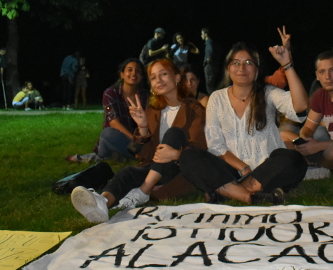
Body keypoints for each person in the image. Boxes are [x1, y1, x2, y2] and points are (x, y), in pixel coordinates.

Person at [71, 59, 206, 223]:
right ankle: (102, 202)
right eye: (153, 77)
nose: (158, 80)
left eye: (163, 74)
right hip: (156, 169)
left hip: (180, 167)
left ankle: (143, 191)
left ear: (177, 77)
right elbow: (145, 155)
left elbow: (200, 146)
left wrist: (176, 154)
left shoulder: (194, 108)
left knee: (174, 133)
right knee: (127, 172)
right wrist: (142, 126)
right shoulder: (154, 110)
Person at [180, 34, 308, 205]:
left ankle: (226, 191)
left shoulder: (267, 93)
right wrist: (243, 167)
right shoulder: (217, 98)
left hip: (266, 168)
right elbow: (215, 144)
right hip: (231, 170)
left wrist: (287, 65)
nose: (242, 68)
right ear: (228, 68)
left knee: (294, 160)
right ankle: (250, 196)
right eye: (236, 63)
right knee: (188, 156)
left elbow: (300, 106)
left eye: (248, 63)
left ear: (256, 69)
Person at [65, 58, 150, 162]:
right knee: (107, 133)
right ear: (122, 74)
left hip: (140, 141)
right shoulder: (111, 93)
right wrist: (135, 141)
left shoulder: (146, 96)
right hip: (118, 139)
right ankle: (138, 154)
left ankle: (120, 156)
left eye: (138, 71)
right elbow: (114, 122)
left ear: (141, 76)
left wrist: (142, 141)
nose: (134, 73)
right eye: (130, 70)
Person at [200, 27, 221, 94]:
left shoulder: (209, 42)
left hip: (209, 65)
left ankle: (212, 97)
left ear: (206, 34)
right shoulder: (212, 42)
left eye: (202, 34)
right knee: (212, 82)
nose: (201, 36)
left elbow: (210, 50)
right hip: (213, 65)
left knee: (209, 83)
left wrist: (209, 57)